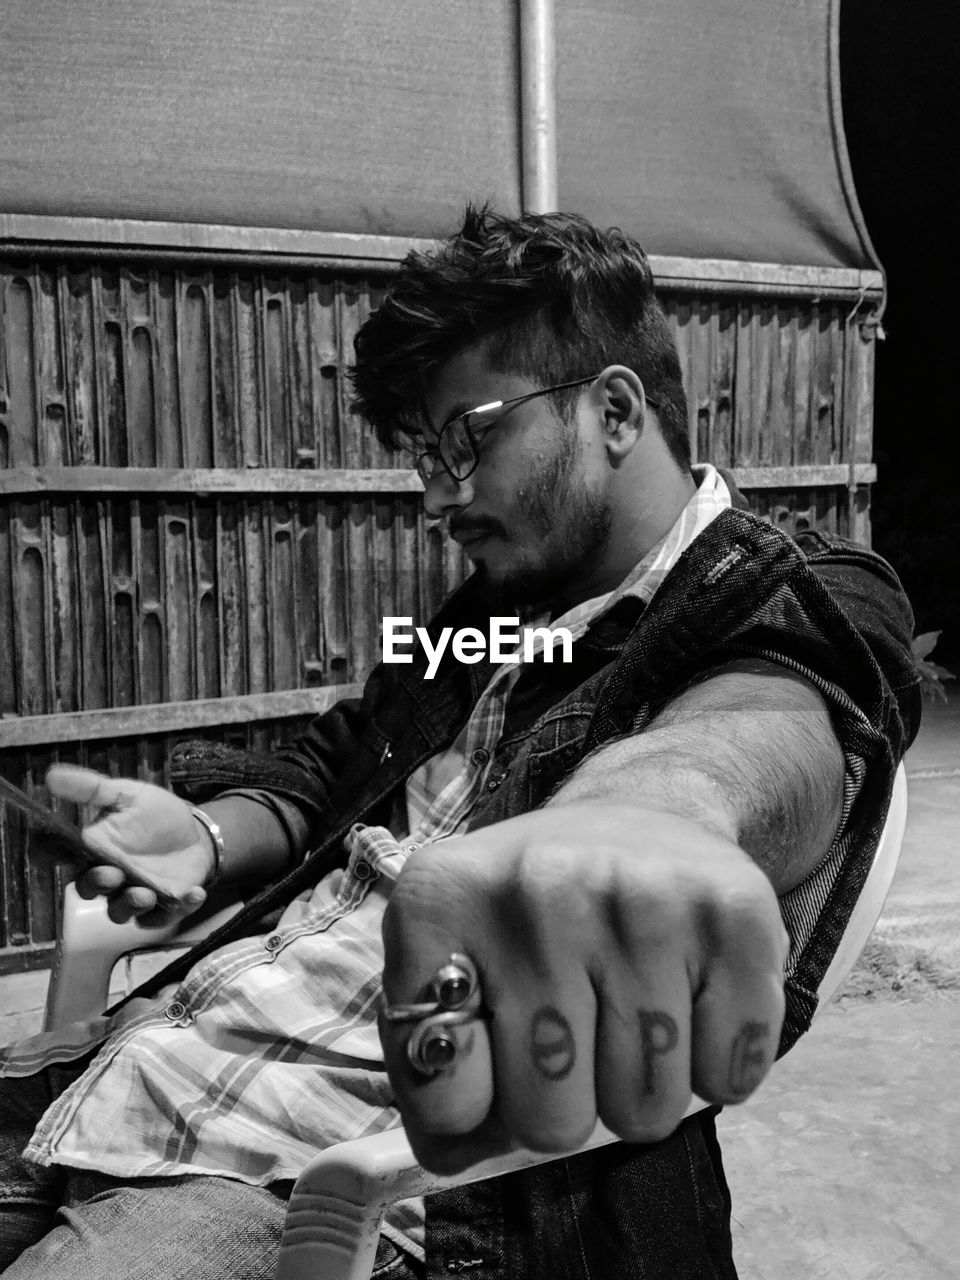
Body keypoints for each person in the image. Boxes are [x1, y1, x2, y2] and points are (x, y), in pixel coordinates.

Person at [0, 206, 919, 1280]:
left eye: (468, 441)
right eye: (427, 458)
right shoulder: (474, 615)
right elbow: (325, 770)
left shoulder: (776, 587)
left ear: (614, 409)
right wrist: (204, 836)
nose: (440, 495)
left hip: (349, 1162)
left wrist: (633, 824)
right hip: (153, 1047)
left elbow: (770, 727)